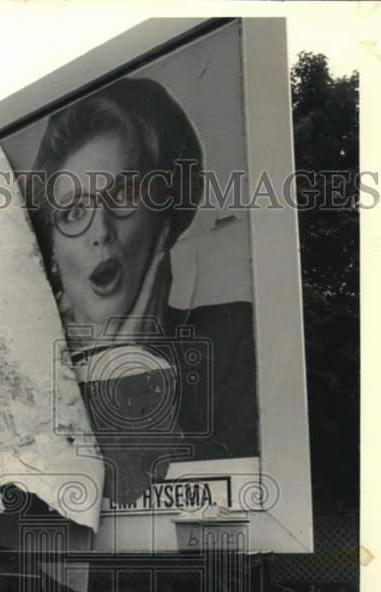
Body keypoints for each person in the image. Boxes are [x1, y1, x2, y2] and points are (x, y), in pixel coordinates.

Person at [29, 78, 259, 503]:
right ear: (55, 254)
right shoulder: (25, 375)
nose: (100, 231)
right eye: (73, 211)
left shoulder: (234, 341)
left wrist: (132, 375)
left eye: (122, 194)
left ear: (165, 219)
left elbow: (197, 529)